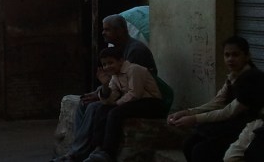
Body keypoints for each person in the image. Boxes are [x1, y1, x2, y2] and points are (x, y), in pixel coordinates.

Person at [54, 14, 171, 162]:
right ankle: (81, 150)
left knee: (96, 108)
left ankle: (88, 152)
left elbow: (132, 90)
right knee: (84, 104)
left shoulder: (135, 52)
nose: (103, 33)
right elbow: (114, 84)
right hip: (125, 96)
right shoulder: (117, 51)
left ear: (121, 31)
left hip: (143, 98)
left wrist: (108, 100)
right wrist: (101, 91)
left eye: (107, 30)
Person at [169, 36, 262, 162]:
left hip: (248, 126)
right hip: (232, 124)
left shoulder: (252, 78)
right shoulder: (233, 76)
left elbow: (229, 111)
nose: (230, 59)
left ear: (247, 56)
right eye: (227, 55)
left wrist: (194, 119)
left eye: (235, 55)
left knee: (202, 151)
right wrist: (189, 112)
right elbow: (217, 102)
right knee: (189, 143)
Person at [83, 47, 166, 162]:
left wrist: (116, 104)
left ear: (121, 61)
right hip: (135, 103)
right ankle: (98, 147)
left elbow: (135, 93)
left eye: (111, 62)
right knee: (102, 109)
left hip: (152, 104)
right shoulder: (115, 76)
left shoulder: (134, 69)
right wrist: (105, 85)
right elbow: (109, 99)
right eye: (104, 64)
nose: (107, 67)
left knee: (115, 113)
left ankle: (108, 152)